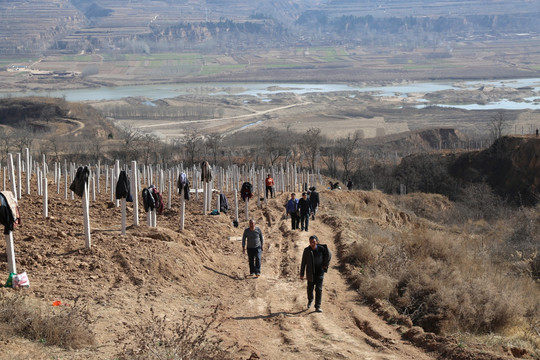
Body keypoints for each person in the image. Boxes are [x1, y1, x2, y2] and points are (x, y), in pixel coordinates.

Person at [300, 235, 332, 313]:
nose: (312, 243)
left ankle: (317, 306)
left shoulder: (322, 249)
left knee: (319, 289)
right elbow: (303, 262)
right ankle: (310, 300)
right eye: (311, 242)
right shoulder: (307, 250)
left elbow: (329, 255)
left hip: (319, 273)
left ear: (317, 242)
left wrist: (325, 265)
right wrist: (302, 273)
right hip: (310, 273)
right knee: (310, 289)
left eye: (313, 242)